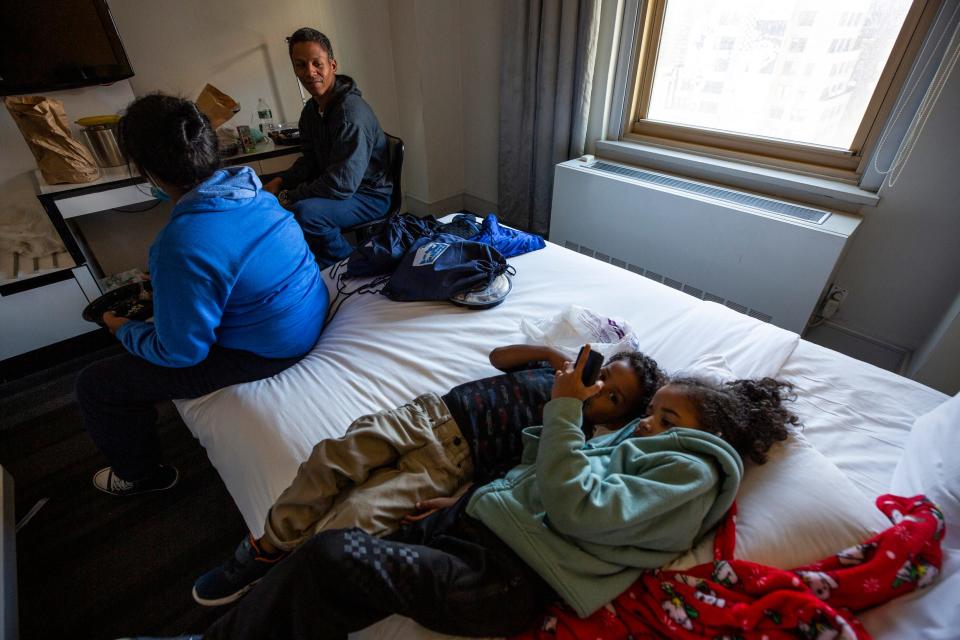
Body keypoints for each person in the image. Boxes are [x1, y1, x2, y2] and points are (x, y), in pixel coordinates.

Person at [145, 360, 798, 640]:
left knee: (335, 553)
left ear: (711, 435)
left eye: (665, 417)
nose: (647, 425)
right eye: (651, 414)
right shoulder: (645, 448)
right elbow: (542, 475)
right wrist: (469, 500)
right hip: (477, 527)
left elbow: (578, 508)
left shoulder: (692, 475)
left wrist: (569, 415)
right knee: (330, 567)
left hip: (507, 577)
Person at [191, 343, 667, 606]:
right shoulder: (555, 372)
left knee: (359, 514)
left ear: (617, 419)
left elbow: (519, 474)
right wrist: (549, 354)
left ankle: (282, 587)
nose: (598, 391)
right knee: (330, 458)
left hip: (451, 463)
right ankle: (267, 548)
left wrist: (461, 500)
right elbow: (498, 358)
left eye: (613, 397)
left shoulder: (573, 432)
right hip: (428, 414)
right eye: (605, 378)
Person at [76, 94, 328, 498]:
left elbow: (182, 353)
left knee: (95, 385)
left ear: (150, 173)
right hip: (307, 315)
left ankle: (141, 475)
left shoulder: (180, 243)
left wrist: (123, 330)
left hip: (269, 351)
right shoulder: (255, 194)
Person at [264, 27, 393, 267]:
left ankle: (353, 268)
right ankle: (325, 264)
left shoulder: (350, 114)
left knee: (306, 214)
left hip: (369, 194)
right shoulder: (311, 111)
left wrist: (289, 196)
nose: (310, 73)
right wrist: (282, 181)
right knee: (290, 209)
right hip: (344, 188)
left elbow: (341, 185)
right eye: (301, 65)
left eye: (317, 64)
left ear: (332, 65)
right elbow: (310, 160)